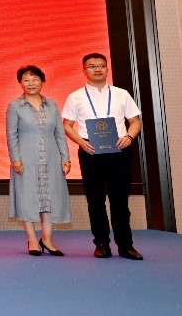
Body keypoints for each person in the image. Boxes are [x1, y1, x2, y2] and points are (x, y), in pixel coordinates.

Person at [62, 53, 144, 260]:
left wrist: (129, 137)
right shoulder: (75, 96)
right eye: (92, 66)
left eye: (101, 66)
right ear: (84, 70)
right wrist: (81, 142)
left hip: (119, 150)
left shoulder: (121, 94)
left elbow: (135, 121)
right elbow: (67, 125)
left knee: (120, 201)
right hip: (91, 152)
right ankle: (101, 244)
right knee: (95, 201)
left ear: (107, 68)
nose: (97, 69)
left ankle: (125, 246)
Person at [7, 65, 71, 256]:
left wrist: (65, 157)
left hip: (51, 158)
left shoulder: (52, 105)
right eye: (26, 80)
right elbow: (11, 135)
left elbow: (60, 133)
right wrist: (15, 159)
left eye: (35, 79)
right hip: (25, 160)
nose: (31, 83)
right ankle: (32, 239)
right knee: (27, 198)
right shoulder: (15, 106)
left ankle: (47, 239)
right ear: (20, 83)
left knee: (49, 198)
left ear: (43, 82)